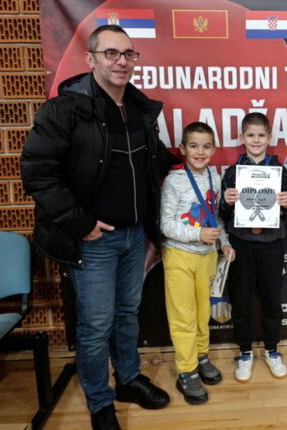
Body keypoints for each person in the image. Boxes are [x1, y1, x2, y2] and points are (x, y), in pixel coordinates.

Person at [21, 25, 175, 430]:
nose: (121, 61)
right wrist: (81, 223)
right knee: (95, 326)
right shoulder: (63, 111)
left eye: (128, 54)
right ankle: (100, 402)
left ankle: (127, 380)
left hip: (134, 234)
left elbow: (153, 160)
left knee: (127, 314)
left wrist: (192, 164)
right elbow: (38, 174)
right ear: (90, 59)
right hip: (93, 240)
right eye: (111, 53)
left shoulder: (139, 109)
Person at [160, 121, 234, 405]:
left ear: (214, 150)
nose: (200, 152)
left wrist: (223, 242)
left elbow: (216, 218)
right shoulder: (174, 181)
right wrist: (197, 234)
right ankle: (186, 370)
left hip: (208, 257)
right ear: (182, 149)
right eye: (194, 146)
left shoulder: (215, 177)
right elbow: (166, 225)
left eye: (206, 147)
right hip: (179, 255)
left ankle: (202, 356)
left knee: (203, 313)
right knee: (184, 316)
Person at [220, 112, 287, 382]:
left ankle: (272, 350)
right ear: (242, 137)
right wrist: (227, 200)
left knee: (272, 300)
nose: (256, 140)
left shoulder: (280, 171)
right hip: (241, 244)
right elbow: (223, 213)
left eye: (261, 135)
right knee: (240, 301)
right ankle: (244, 352)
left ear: (269, 137)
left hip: (271, 244)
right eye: (250, 135)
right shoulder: (233, 172)